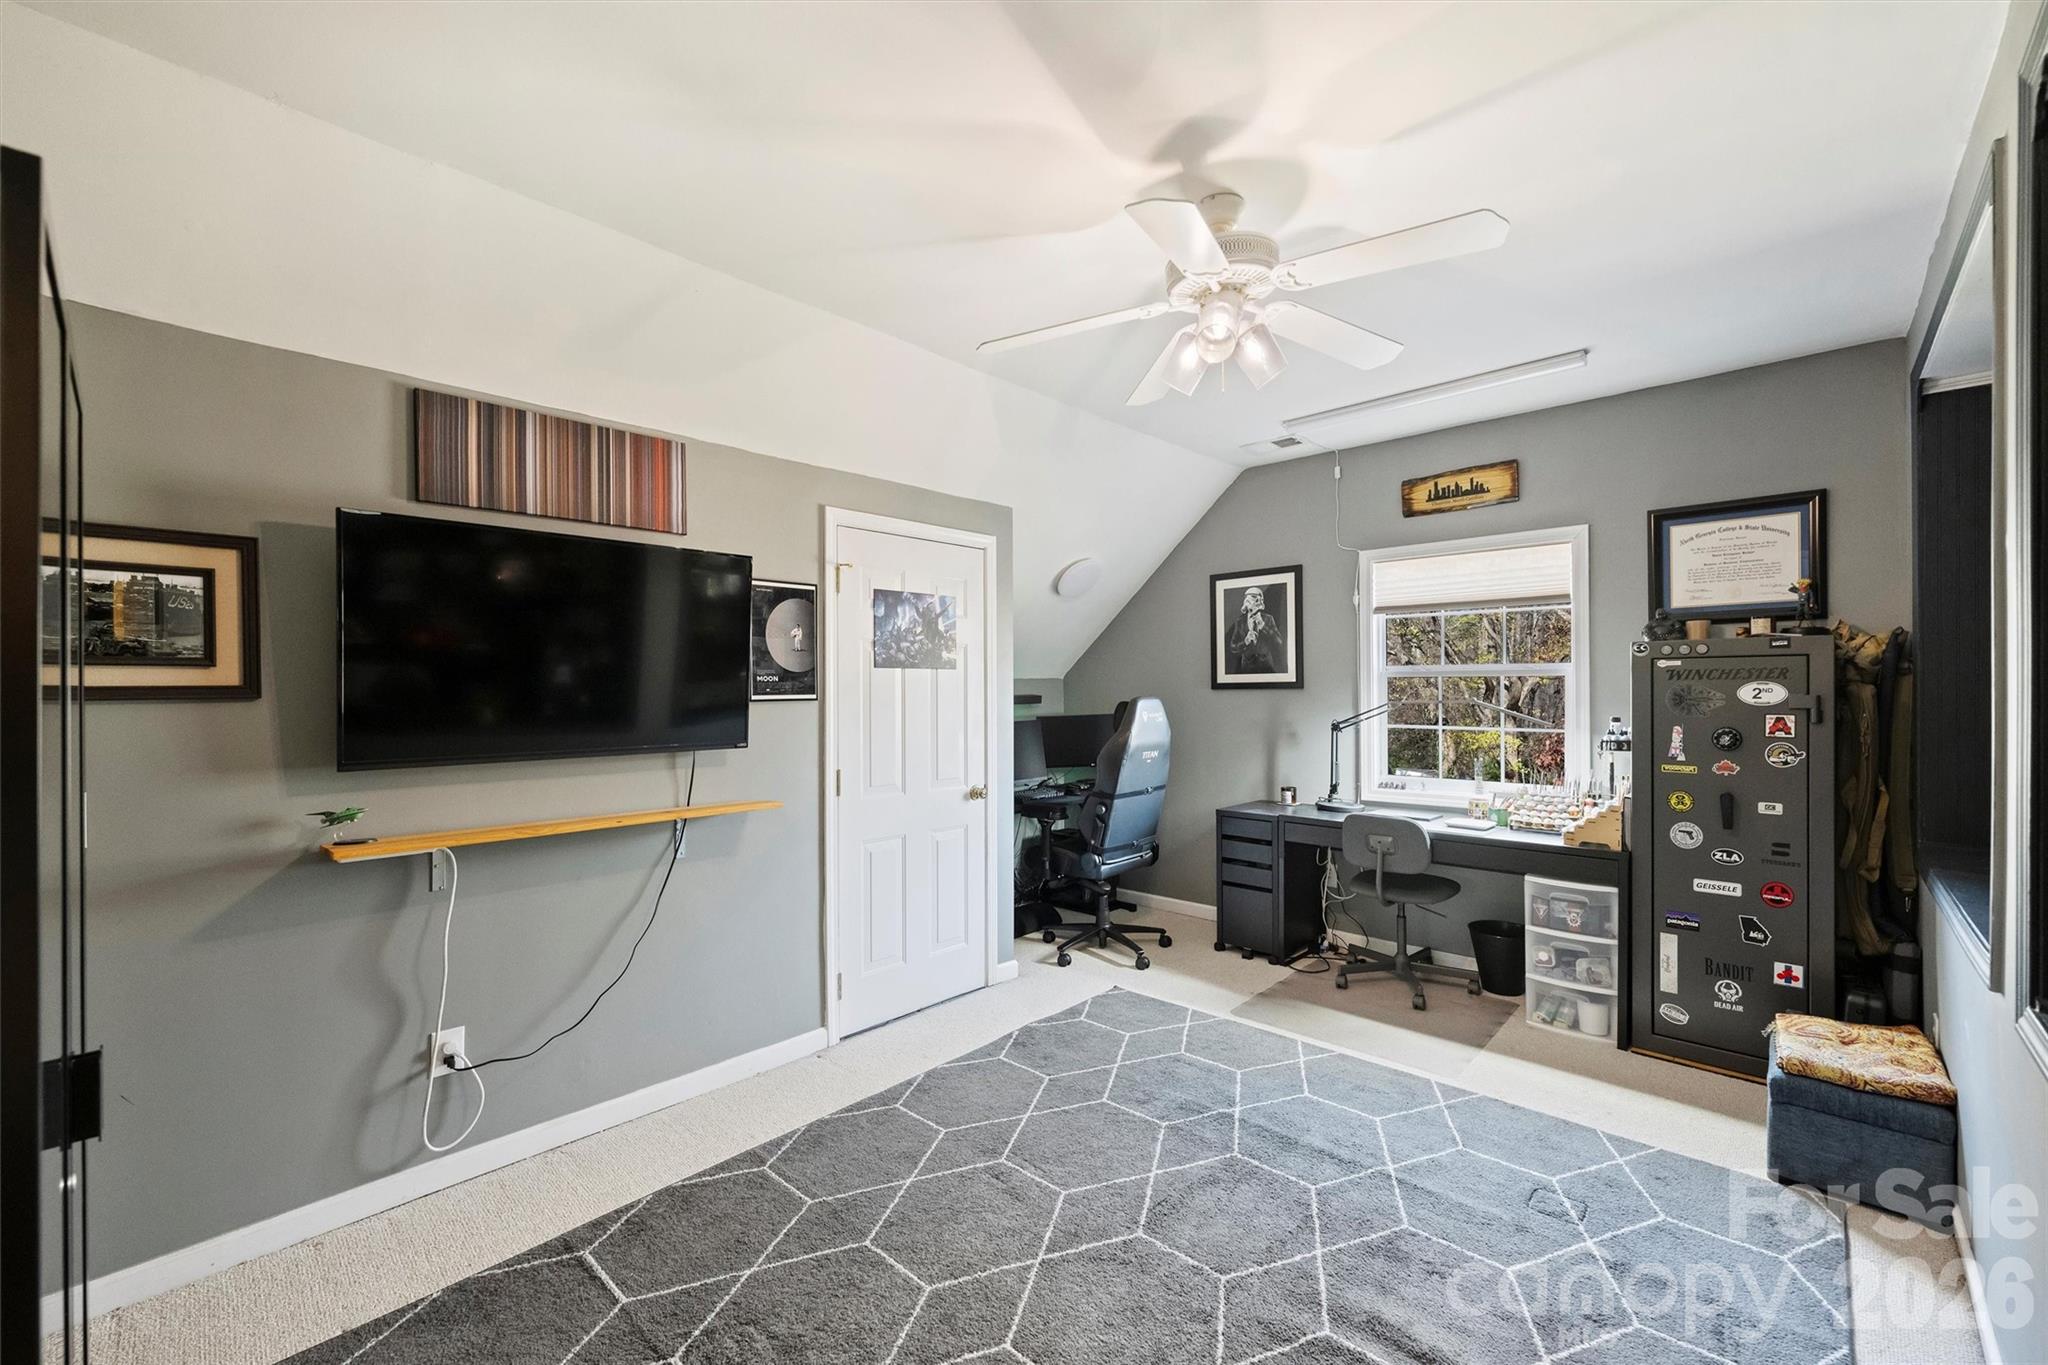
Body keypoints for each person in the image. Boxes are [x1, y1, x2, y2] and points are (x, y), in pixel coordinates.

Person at [1227, 585, 1284, 674]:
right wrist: (1245, 641)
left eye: (1255, 601)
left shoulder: (1268, 619)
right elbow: (1233, 647)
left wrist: (1263, 626)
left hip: (1267, 667)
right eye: (1249, 601)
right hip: (1246, 668)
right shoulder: (1240, 622)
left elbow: (1279, 642)